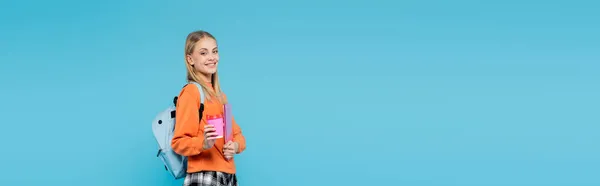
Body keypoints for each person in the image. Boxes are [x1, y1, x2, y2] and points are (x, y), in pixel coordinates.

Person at [171, 30, 246, 186]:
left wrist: (236, 146)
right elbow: (178, 142)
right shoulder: (192, 92)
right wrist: (203, 144)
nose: (212, 57)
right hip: (204, 175)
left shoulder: (220, 96)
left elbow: (238, 135)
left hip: (228, 175)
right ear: (190, 59)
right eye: (204, 53)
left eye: (215, 51)